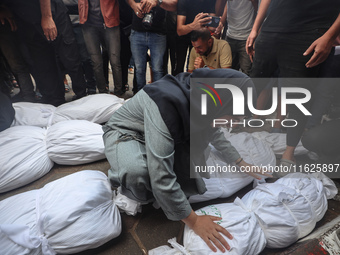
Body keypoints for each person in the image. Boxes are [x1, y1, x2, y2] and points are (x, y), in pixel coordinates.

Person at [103, 68, 271, 253]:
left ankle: (159, 194)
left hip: (159, 136)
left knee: (192, 169)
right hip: (128, 134)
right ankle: (128, 186)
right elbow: (161, 174)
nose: (232, 124)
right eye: (234, 117)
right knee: (140, 172)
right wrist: (194, 220)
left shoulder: (204, 100)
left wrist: (239, 161)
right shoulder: (167, 103)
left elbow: (214, 132)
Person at [246, 0, 340, 167]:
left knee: (299, 97)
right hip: (271, 28)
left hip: (308, 31)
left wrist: (329, 35)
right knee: (255, 84)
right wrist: (255, 28)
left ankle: (289, 153)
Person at [1, 0, 87, 106]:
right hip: (26, 19)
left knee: (69, 57)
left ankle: (81, 96)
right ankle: (56, 101)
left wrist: (47, 17)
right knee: (43, 64)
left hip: (51, 13)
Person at [125, 0, 177, 92]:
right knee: (139, 68)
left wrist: (158, 2)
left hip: (158, 32)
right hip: (137, 31)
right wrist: (134, 5)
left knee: (157, 68)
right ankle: (140, 96)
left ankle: (157, 96)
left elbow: (174, 5)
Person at [78, 0, 124, 96]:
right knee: (96, 62)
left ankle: (118, 93)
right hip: (88, 25)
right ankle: (102, 93)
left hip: (110, 23)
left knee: (115, 60)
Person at [214, 0, 258, 76]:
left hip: (246, 38)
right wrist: (222, 21)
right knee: (228, 71)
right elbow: (224, 8)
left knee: (246, 72)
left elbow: (259, 10)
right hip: (230, 35)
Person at [176, 0, 216, 73]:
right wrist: (194, 25)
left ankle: (191, 83)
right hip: (183, 37)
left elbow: (212, 26)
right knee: (178, 67)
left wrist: (216, 26)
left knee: (195, 67)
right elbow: (179, 31)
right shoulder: (184, 1)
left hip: (199, 39)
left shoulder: (210, 1)